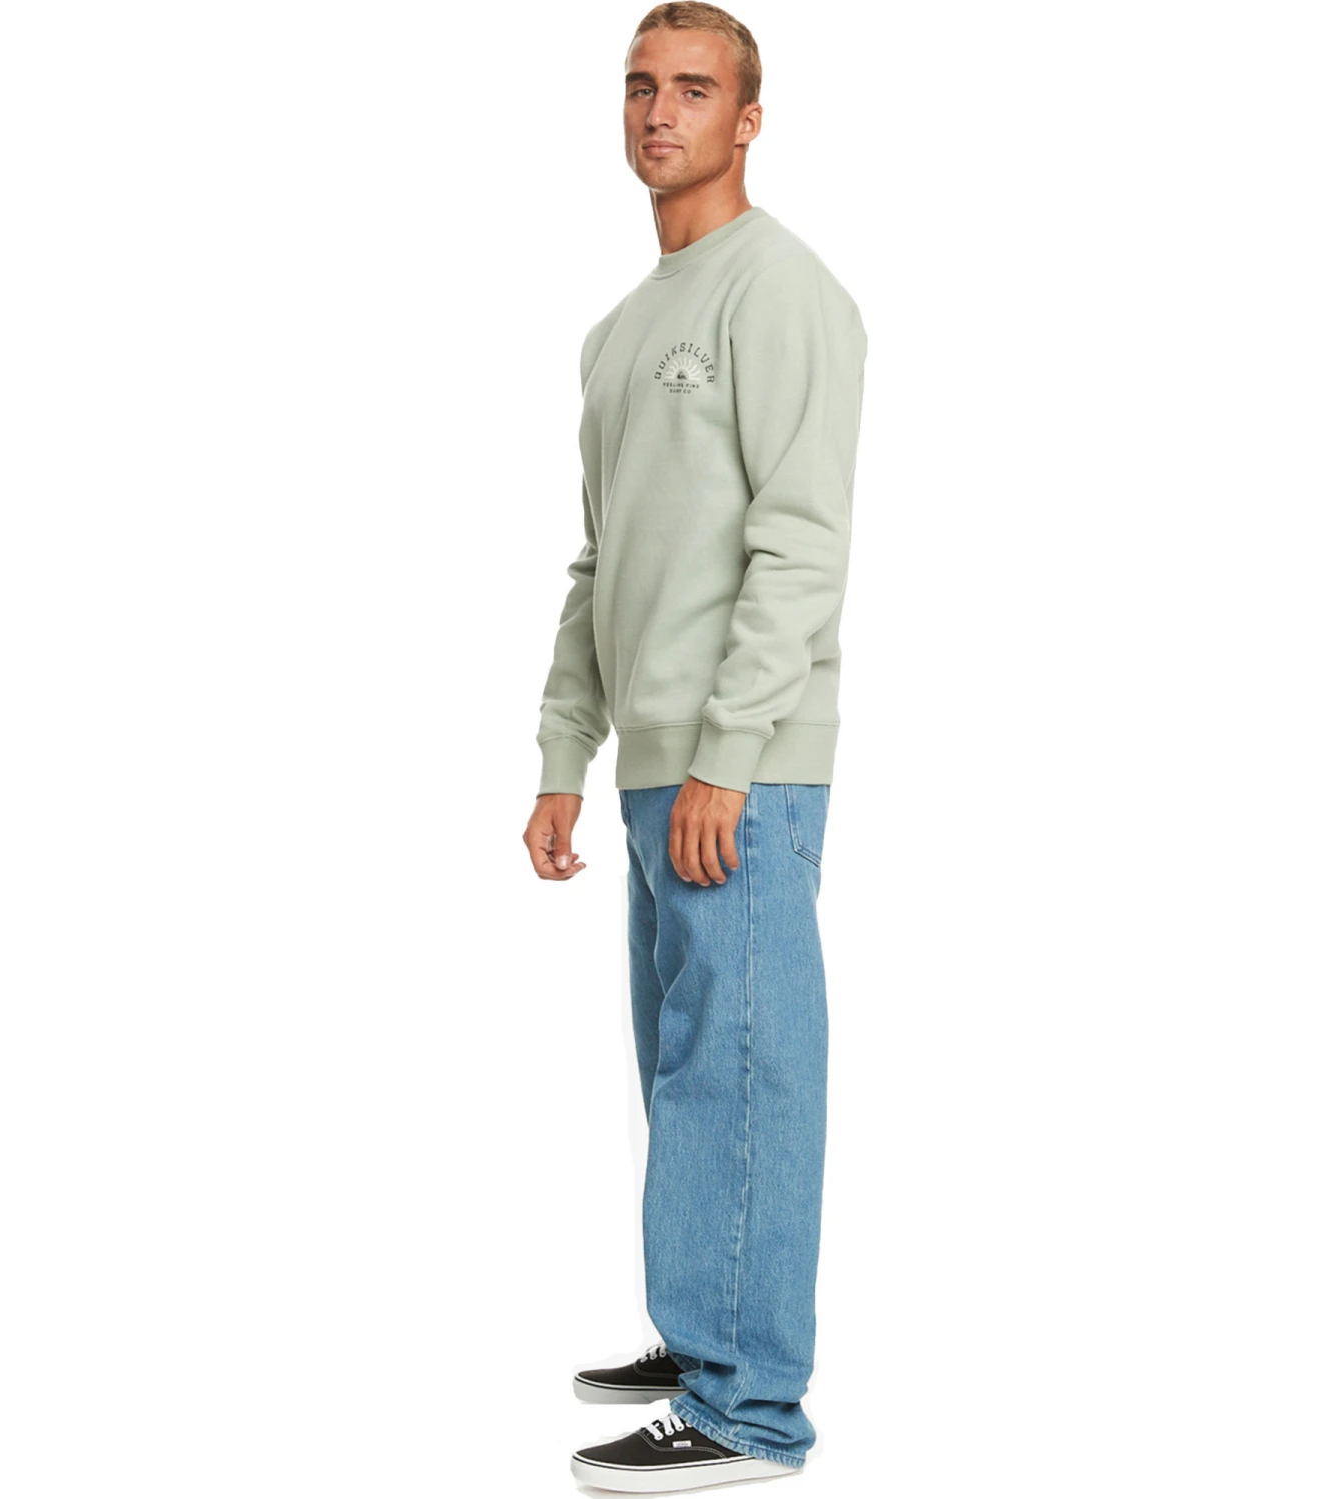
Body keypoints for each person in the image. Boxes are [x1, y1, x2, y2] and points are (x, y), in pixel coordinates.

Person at [521, 4, 867, 1490]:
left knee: (746, 1073)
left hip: (746, 767)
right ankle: (702, 1332)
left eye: (694, 90)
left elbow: (801, 544)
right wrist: (564, 752)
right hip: (655, 763)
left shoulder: (782, 292)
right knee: (683, 1069)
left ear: (749, 119)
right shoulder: (617, 332)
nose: (659, 112)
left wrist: (728, 753)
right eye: (640, 87)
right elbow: (602, 562)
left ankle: (750, 1410)